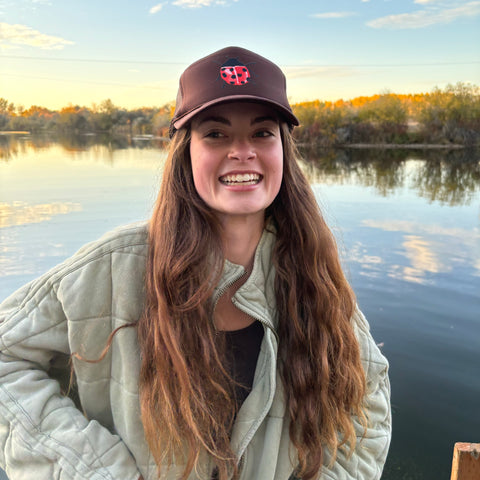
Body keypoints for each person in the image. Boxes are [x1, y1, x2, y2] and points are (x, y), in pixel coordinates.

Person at [0, 46, 391, 480]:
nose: (242, 151)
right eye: (216, 134)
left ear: (284, 150)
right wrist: (91, 468)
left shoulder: (313, 272)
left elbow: (369, 395)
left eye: (262, 132)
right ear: (186, 152)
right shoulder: (114, 268)